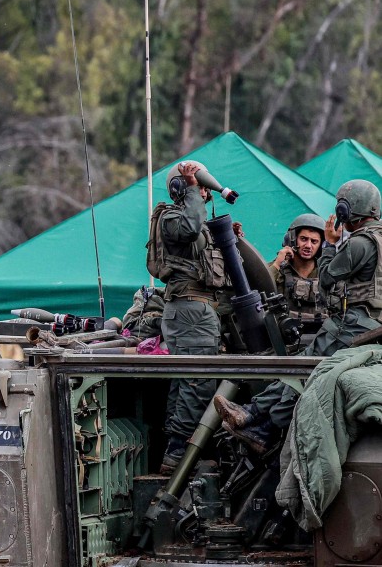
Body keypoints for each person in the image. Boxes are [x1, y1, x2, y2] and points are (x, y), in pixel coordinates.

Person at [215, 180, 382, 454]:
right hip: (372, 328)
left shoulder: (361, 243)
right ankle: (257, 422)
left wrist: (329, 245)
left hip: (352, 325)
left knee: (300, 369)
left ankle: (255, 418)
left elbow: (327, 277)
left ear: (346, 210)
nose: (308, 245)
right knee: (306, 374)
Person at [148, 161, 229, 474]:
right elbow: (190, 227)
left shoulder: (195, 225)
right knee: (197, 381)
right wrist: (192, 187)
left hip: (197, 308)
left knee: (186, 381)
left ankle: (176, 450)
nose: (204, 192)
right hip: (190, 309)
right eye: (198, 186)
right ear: (181, 188)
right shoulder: (171, 218)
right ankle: (179, 452)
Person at [268, 214, 326, 320]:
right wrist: (277, 264)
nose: (308, 246)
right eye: (304, 239)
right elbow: (259, 289)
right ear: (292, 239)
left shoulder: (326, 272)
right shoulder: (277, 268)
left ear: (321, 245)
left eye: (314, 241)